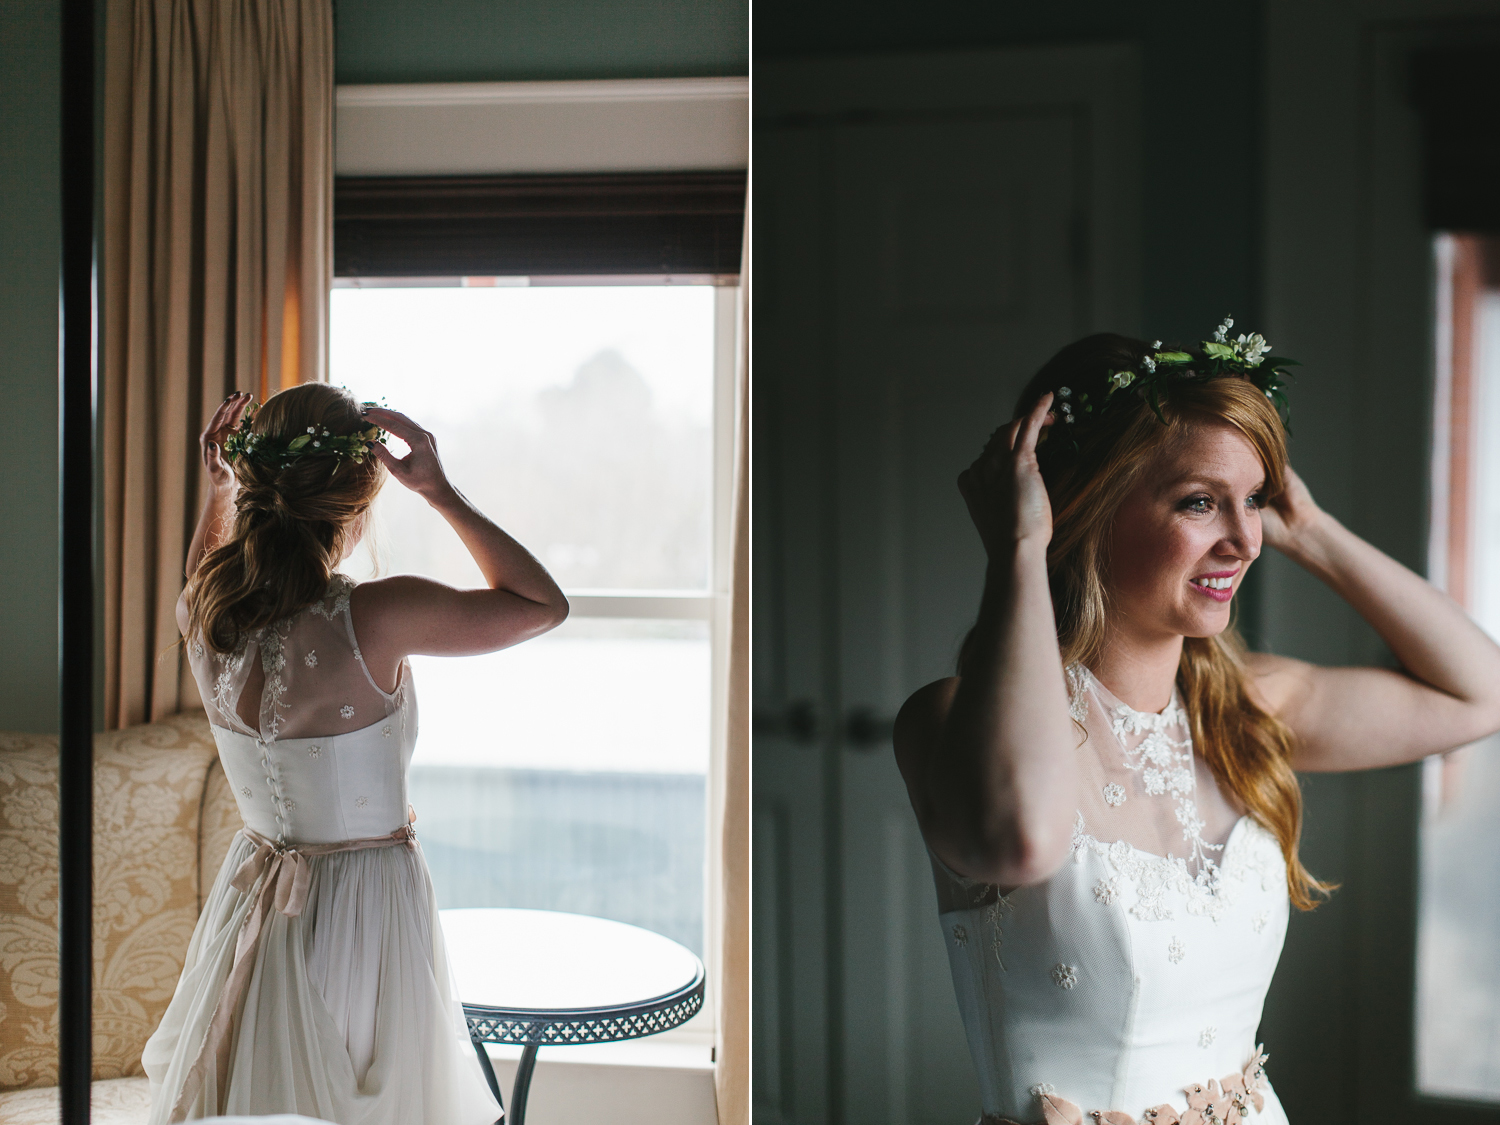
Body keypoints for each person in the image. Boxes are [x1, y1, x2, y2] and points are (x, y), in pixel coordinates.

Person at [892, 323, 1500, 1125]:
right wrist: (1018, 547)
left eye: (1253, 498)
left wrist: (1310, 530)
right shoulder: (945, 720)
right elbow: (1023, 839)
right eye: (1200, 501)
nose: (1246, 540)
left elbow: (1478, 693)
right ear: (1085, 505)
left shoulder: (1245, 709)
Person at [144, 383, 568, 1124]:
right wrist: (442, 491)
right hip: (362, 914)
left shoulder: (203, 614)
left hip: (251, 906)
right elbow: (541, 605)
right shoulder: (374, 617)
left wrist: (219, 493)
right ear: (357, 506)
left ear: (255, 486)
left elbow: (204, 571)